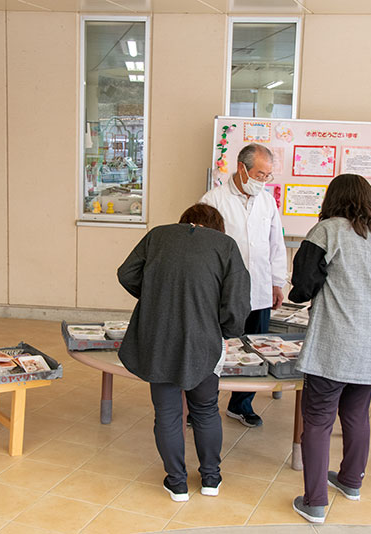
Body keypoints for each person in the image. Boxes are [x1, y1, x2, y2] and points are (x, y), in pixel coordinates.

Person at [116, 203, 251, 502]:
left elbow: (126, 273)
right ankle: (211, 479)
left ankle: (177, 483)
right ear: (217, 227)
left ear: (184, 221)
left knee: (167, 413)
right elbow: (237, 302)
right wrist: (227, 330)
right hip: (204, 340)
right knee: (206, 410)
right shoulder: (225, 246)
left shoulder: (158, 236)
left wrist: (155, 294)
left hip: (158, 338)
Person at [287, 174, 371, 523]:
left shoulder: (326, 231)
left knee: (318, 419)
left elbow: (303, 283)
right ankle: (350, 481)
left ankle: (315, 501)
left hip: (336, 342)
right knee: (356, 414)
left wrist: (306, 294)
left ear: (333, 198)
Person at [201, 143, 286, 428]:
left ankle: (241, 405)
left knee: (254, 348)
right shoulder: (213, 200)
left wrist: (277, 283)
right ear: (242, 168)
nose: (264, 180)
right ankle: (202, 403)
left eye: (268, 175)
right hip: (222, 291)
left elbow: (276, 244)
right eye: (260, 174)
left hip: (260, 289)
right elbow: (202, 248)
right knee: (216, 347)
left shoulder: (267, 201)